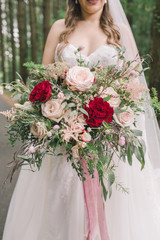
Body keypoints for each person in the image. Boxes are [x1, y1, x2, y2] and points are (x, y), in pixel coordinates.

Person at [2, 0, 160, 239]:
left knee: (113, 210)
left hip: (109, 144)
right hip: (64, 142)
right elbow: (41, 83)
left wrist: (114, 121)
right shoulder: (59, 28)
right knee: (60, 208)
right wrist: (57, 116)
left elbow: (134, 89)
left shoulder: (121, 32)